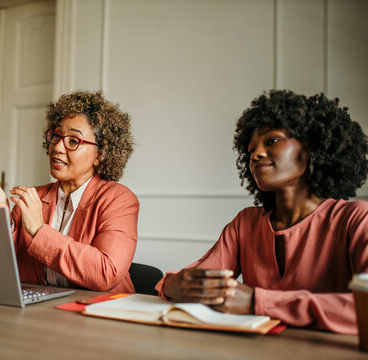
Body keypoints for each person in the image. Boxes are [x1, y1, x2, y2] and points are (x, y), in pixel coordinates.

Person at [157, 90, 368, 334]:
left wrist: (257, 302)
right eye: (251, 150)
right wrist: (175, 285)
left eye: (272, 141)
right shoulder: (246, 223)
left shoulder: (355, 219)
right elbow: (197, 277)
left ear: (313, 148)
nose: (255, 155)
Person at [0, 91, 139, 293]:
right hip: (43, 312)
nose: (58, 147)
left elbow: (106, 272)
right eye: (56, 136)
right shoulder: (32, 198)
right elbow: (1, 269)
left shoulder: (118, 199)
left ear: (100, 154)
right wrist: (2, 219)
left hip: (103, 314)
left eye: (73, 141)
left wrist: (39, 231)